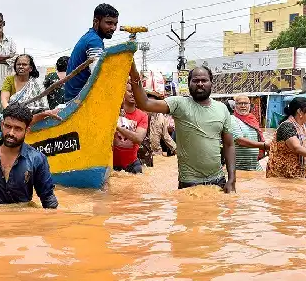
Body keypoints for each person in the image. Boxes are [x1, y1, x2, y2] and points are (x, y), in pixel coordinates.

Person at [130, 63, 237, 193]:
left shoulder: (222, 109)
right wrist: (134, 75)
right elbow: (144, 103)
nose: (200, 84)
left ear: (211, 83)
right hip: (189, 182)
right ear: (189, 84)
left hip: (219, 180)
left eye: (204, 80)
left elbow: (229, 144)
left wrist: (232, 179)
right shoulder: (179, 104)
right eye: (195, 80)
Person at [64, 4, 119, 101]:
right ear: (96, 21)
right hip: (80, 100)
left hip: (74, 98)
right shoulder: (94, 41)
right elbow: (99, 75)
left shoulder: (89, 37)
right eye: (109, 23)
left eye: (115, 24)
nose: (113, 28)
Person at [266, 97, 306, 180]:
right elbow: (296, 148)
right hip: (282, 177)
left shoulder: (302, 127)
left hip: (297, 175)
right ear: (299, 111)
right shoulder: (287, 126)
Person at [113, 83, 149, 173]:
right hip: (111, 163)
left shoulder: (143, 116)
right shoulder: (113, 112)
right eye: (130, 91)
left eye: (135, 92)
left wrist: (117, 126)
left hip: (132, 164)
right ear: (123, 92)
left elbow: (138, 138)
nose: (133, 94)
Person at [230, 95, 270, 171]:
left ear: (249, 105)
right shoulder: (232, 120)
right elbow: (240, 140)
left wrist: (267, 149)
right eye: (240, 103)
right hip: (239, 167)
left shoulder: (252, 119)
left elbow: (259, 138)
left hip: (255, 165)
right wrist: (265, 146)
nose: (243, 106)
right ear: (235, 106)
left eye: (246, 103)